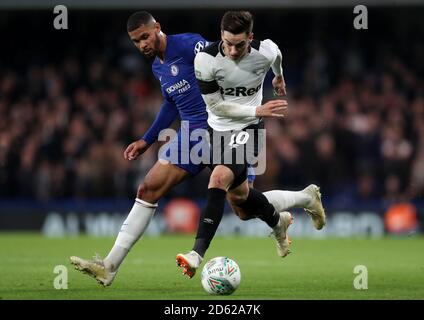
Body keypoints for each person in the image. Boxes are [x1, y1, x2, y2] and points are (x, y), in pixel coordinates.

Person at [70, 11, 324, 286]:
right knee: (148, 189)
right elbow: (171, 103)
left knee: (242, 206)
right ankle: (109, 266)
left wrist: (254, 101)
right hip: (191, 133)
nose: (142, 44)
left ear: (157, 28)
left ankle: (303, 199)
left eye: (145, 36)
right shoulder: (159, 66)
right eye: (135, 41)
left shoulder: (190, 45)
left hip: (227, 130)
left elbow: (223, 60)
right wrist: (148, 138)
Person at [176, 11, 326, 278]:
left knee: (218, 179)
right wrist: (258, 110)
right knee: (242, 204)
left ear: (251, 38)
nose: (233, 50)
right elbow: (217, 107)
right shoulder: (206, 60)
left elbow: (277, 55)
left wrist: (278, 76)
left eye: (240, 44)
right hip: (217, 130)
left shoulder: (264, 52)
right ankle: (297, 205)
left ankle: (196, 254)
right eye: (228, 43)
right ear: (221, 36)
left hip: (248, 130)